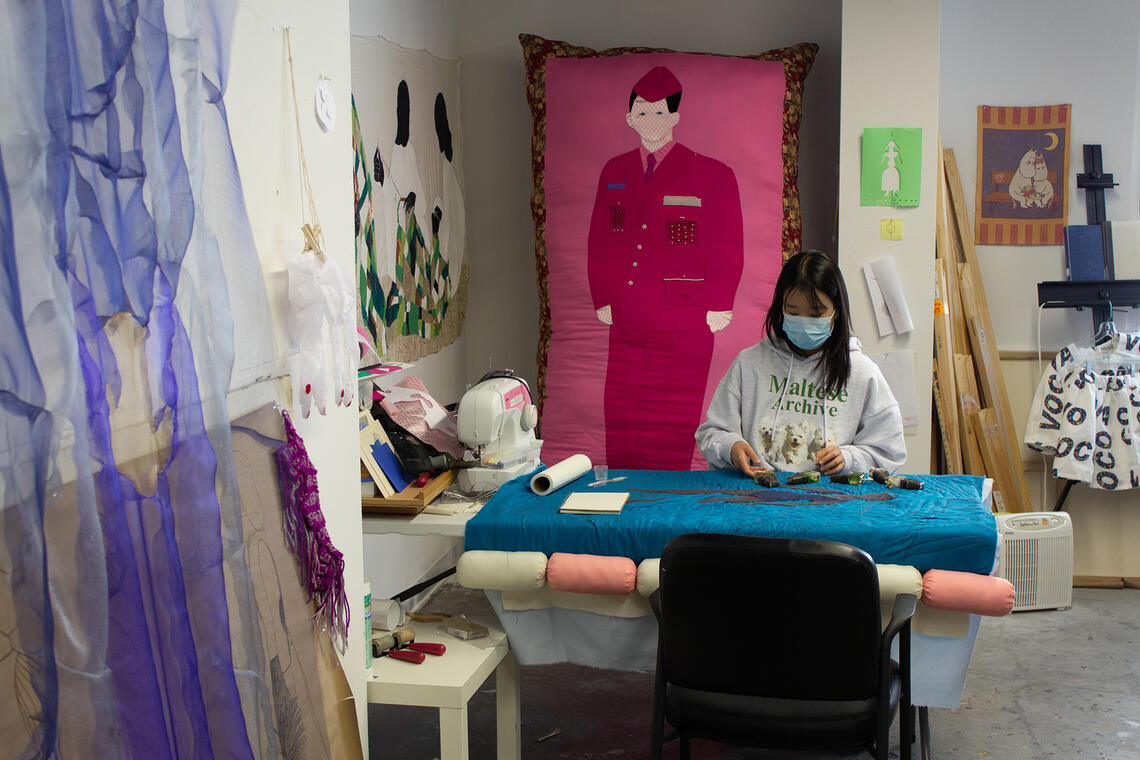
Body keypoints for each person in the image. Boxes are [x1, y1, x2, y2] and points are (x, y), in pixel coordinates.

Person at [588, 65, 744, 470]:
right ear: (628, 119)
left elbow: (726, 244)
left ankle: (667, 497)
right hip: (628, 316)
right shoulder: (614, 172)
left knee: (675, 419)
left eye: (659, 113)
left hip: (684, 317)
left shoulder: (711, 174)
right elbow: (601, 237)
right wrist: (603, 295)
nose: (649, 121)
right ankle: (622, 493)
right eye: (641, 112)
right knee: (623, 413)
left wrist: (720, 304)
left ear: (675, 117)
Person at [695, 251, 906, 477]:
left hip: (830, 497)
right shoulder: (749, 364)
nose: (805, 323)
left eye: (816, 314)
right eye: (793, 312)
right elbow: (712, 433)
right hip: (756, 492)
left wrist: (850, 459)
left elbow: (890, 450)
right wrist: (731, 447)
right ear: (780, 308)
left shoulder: (862, 373)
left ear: (837, 311)